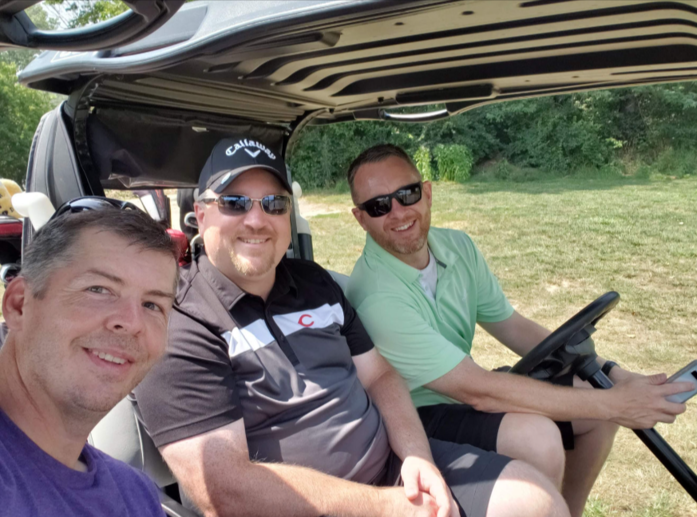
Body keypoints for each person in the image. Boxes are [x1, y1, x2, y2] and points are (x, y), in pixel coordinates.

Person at [134, 136, 571, 517]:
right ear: (202, 215)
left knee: (537, 502)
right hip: (300, 508)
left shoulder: (314, 284)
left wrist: (417, 457)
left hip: (392, 471)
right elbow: (223, 491)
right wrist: (386, 508)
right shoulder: (181, 323)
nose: (256, 218)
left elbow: (380, 374)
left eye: (274, 203)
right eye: (234, 203)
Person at [344, 144, 693, 517]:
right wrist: (616, 403)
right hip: (417, 413)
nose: (398, 212)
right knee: (538, 437)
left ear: (426, 193)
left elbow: (511, 325)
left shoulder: (457, 247)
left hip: (462, 391)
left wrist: (613, 374)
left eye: (406, 194)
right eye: (379, 206)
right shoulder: (376, 295)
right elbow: (476, 390)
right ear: (361, 219)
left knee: (594, 415)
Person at [0, 198, 180, 517]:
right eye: (98, 289)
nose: (132, 323)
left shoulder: (137, 495)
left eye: (153, 305)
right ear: (19, 305)